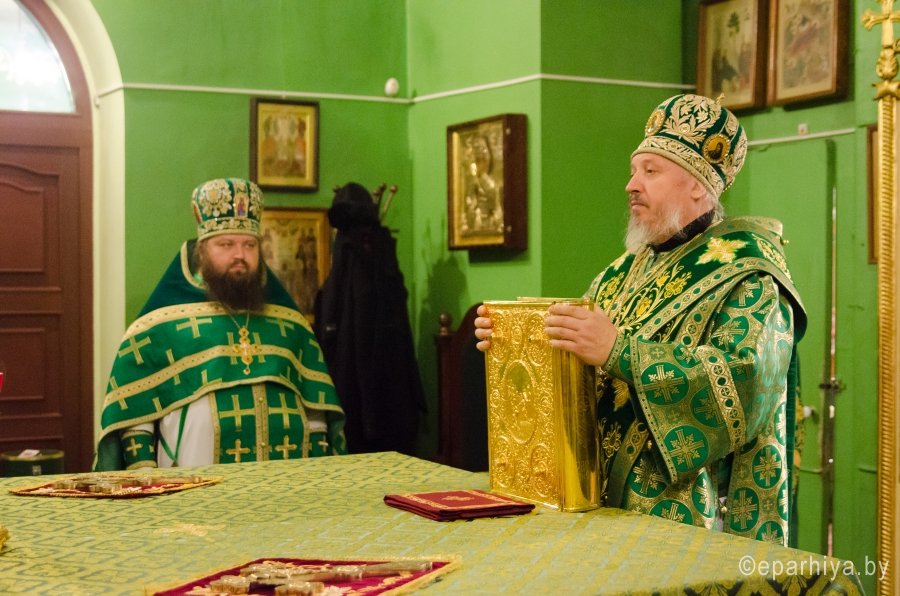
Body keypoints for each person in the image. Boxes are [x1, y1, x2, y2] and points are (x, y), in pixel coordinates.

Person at [474, 94, 806, 547]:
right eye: (634, 171)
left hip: (690, 518)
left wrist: (622, 352)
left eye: (650, 171)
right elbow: (580, 363)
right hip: (600, 506)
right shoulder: (622, 273)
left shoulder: (750, 275)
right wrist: (517, 342)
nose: (631, 185)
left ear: (698, 185)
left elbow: (745, 380)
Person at [94, 178, 347, 470]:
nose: (239, 255)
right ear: (201, 250)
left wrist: (318, 470)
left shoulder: (289, 323)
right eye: (226, 244)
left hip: (286, 483)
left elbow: (316, 408)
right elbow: (134, 414)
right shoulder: (160, 325)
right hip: (192, 481)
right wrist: (144, 471)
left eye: (249, 245)